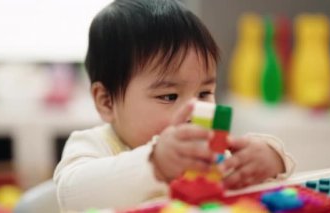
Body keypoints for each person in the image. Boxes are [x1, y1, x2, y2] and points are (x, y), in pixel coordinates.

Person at [54, 0, 295, 211]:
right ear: (107, 102)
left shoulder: (207, 152)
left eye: (204, 93)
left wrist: (270, 159)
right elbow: (72, 195)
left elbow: (246, 186)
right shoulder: (93, 145)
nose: (194, 113)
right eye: (169, 96)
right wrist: (155, 164)